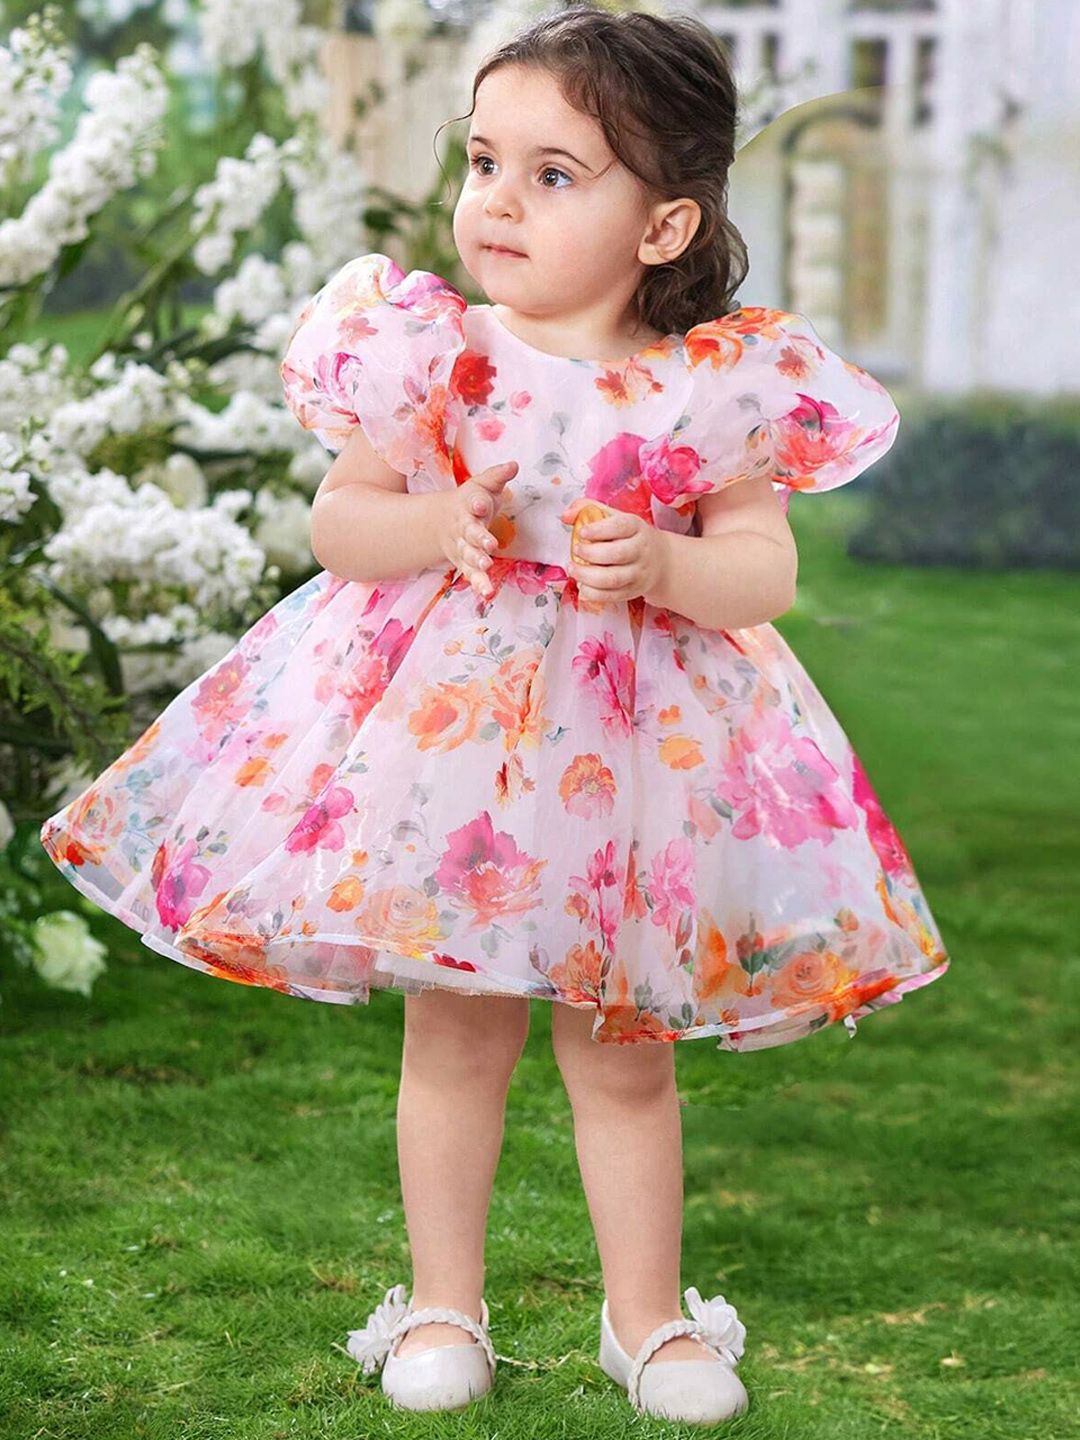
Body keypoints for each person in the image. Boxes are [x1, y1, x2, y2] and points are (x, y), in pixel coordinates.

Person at [39, 4, 951, 1425]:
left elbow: (762, 568)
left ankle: (647, 1322)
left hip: (636, 762)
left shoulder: (715, 387)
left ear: (663, 226)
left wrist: (668, 568)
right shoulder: (429, 355)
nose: (497, 201)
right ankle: (440, 1304)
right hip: (453, 761)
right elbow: (342, 523)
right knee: (456, 1038)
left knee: (624, 1057)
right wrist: (435, 525)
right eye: (483, 162)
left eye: (553, 174)